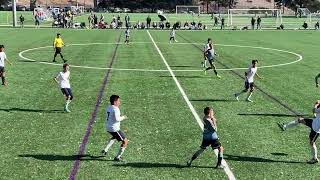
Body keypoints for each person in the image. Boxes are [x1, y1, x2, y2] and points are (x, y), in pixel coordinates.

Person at [101, 95, 128, 161]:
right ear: (115, 102)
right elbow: (117, 119)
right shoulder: (116, 109)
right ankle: (117, 157)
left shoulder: (109, 107)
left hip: (108, 127)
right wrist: (124, 117)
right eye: (118, 101)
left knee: (115, 137)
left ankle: (105, 149)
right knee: (125, 141)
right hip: (114, 128)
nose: (119, 102)